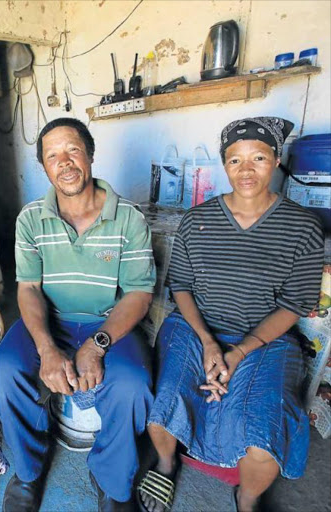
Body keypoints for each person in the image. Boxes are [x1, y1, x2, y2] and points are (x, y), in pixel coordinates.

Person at [137, 117, 325, 512]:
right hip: (195, 327)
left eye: (258, 157)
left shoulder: (303, 227)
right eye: (235, 160)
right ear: (224, 166)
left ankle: (248, 496)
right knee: (162, 410)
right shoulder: (197, 220)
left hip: (265, 338)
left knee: (261, 440)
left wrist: (237, 353)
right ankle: (167, 463)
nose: (246, 170)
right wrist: (208, 342)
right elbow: (182, 288)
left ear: (275, 160)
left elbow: (293, 305)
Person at [0, 117, 156, 512]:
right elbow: (28, 289)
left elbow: (138, 293)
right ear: (45, 167)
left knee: (133, 383)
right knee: (4, 371)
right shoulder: (31, 219)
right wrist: (47, 348)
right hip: (49, 320)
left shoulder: (129, 218)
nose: (64, 162)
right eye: (52, 155)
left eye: (72, 150)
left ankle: (112, 478)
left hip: (108, 322)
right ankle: (29, 471)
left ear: (89, 155)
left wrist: (98, 344)